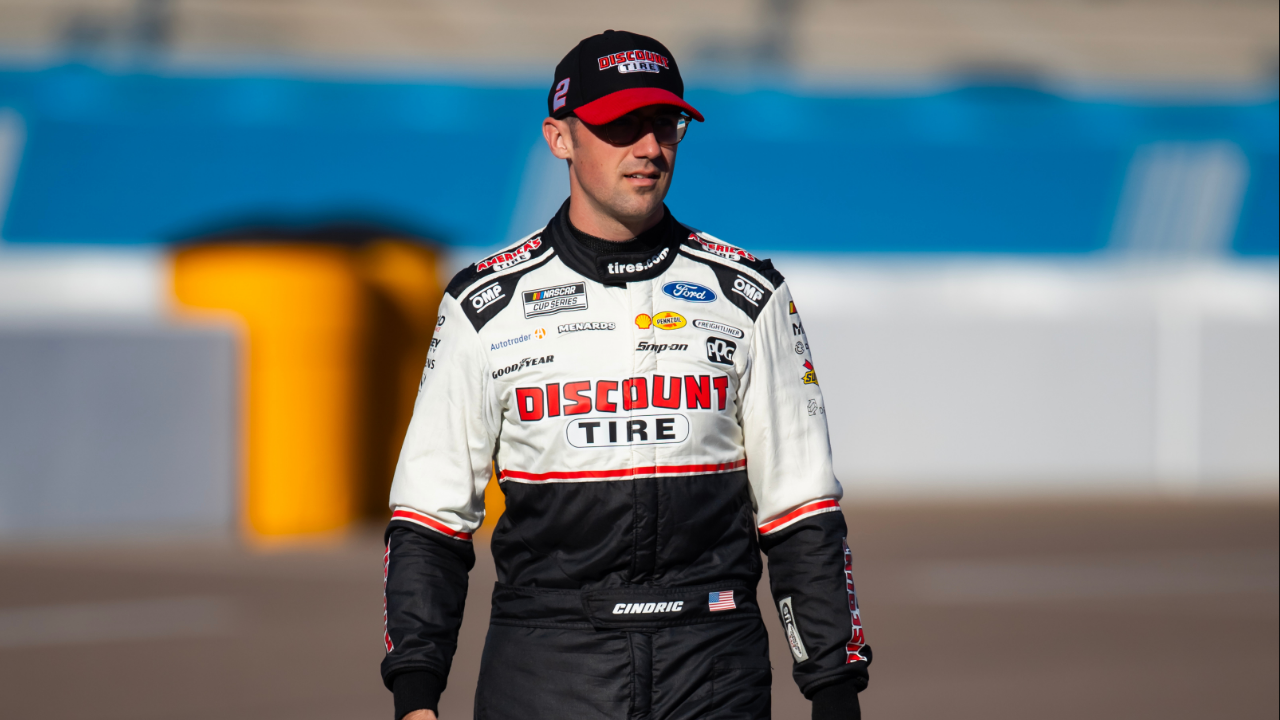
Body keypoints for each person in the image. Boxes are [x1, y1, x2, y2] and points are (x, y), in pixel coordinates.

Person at [380, 29, 870, 720]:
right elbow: (430, 516)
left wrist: (834, 689)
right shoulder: (483, 306)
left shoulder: (749, 295)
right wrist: (416, 694)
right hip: (548, 671)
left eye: (664, 124)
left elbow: (803, 511)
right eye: (619, 125)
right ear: (560, 138)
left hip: (713, 669)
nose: (648, 147)